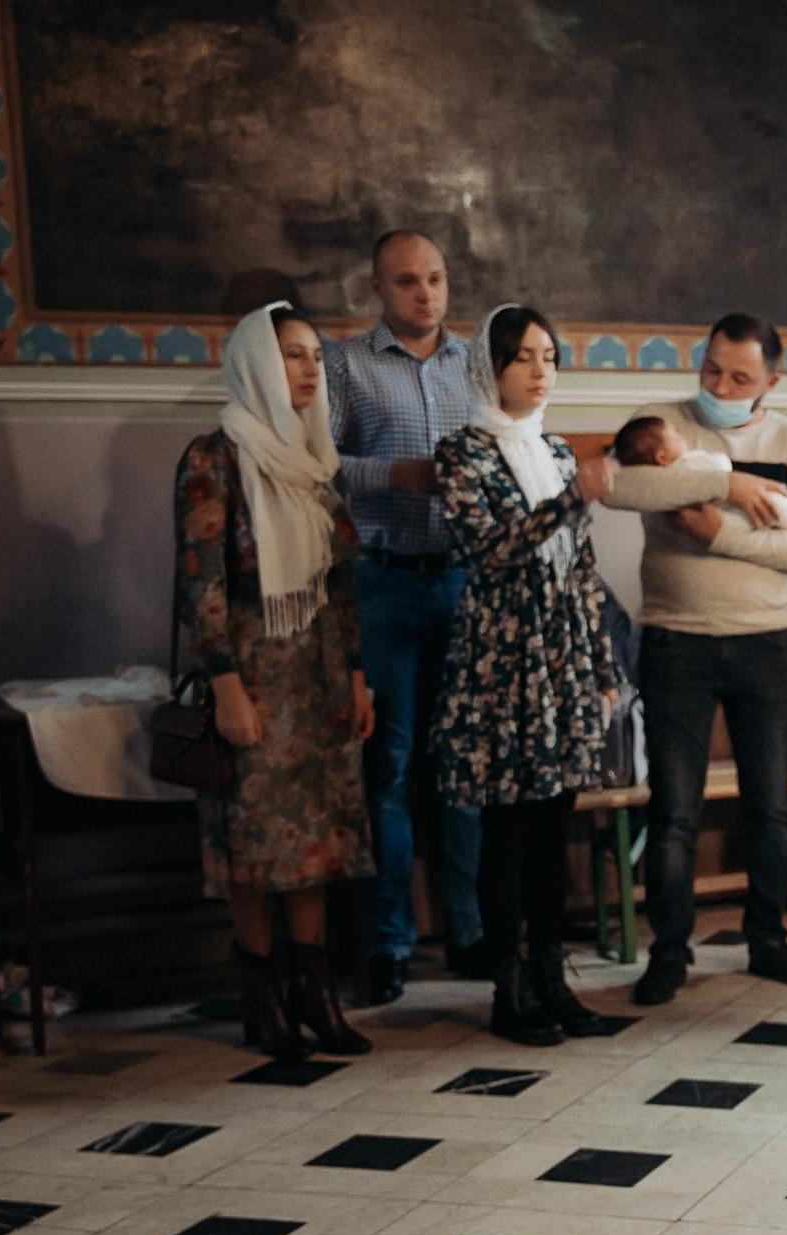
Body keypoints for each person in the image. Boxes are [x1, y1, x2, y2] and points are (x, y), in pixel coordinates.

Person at [601, 313, 787, 1006]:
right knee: (674, 810)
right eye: (710, 369)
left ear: (771, 381)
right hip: (677, 640)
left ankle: (768, 939)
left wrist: (717, 533)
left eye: (738, 377)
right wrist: (732, 487)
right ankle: (669, 951)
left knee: (770, 806)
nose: (719, 385)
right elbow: (623, 489)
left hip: (766, 641)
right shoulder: (658, 425)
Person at [173, 303, 375, 1060]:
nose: (309, 369)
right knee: (256, 842)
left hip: (319, 671)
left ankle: (314, 994)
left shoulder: (317, 459)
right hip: (255, 672)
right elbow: (202, 583)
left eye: (316, 357)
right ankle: (262, 1000)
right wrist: (224, 685)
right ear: (256, 361)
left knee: (316, 840)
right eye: (293, 355)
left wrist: (358, 678)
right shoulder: (214, 459)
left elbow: (343, 582)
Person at [428, 306, 619, 1046]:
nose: (540, 373)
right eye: (523, 359)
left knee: (553, 833)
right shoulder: (462, 454)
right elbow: (490, 552)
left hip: (564, 657)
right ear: (491, 369)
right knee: (508, 832)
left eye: (548, 357)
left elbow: (584, 568)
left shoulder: (561, 453)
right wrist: (571, 498)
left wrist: (603, 666)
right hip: (504, 662)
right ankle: (509, 993)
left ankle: (551, 980)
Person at [325, 230, 484, 1007]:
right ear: (378, 290)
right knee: (385, 769)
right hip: (383, 583)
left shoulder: (475, 365)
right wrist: (397, 473)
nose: (425, 294)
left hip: (463, 581)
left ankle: (471, 930)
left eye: (435, 280)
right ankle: (389, 943)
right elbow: (317, 463)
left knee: (462, 767)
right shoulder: (346, 366)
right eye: (407, 283)